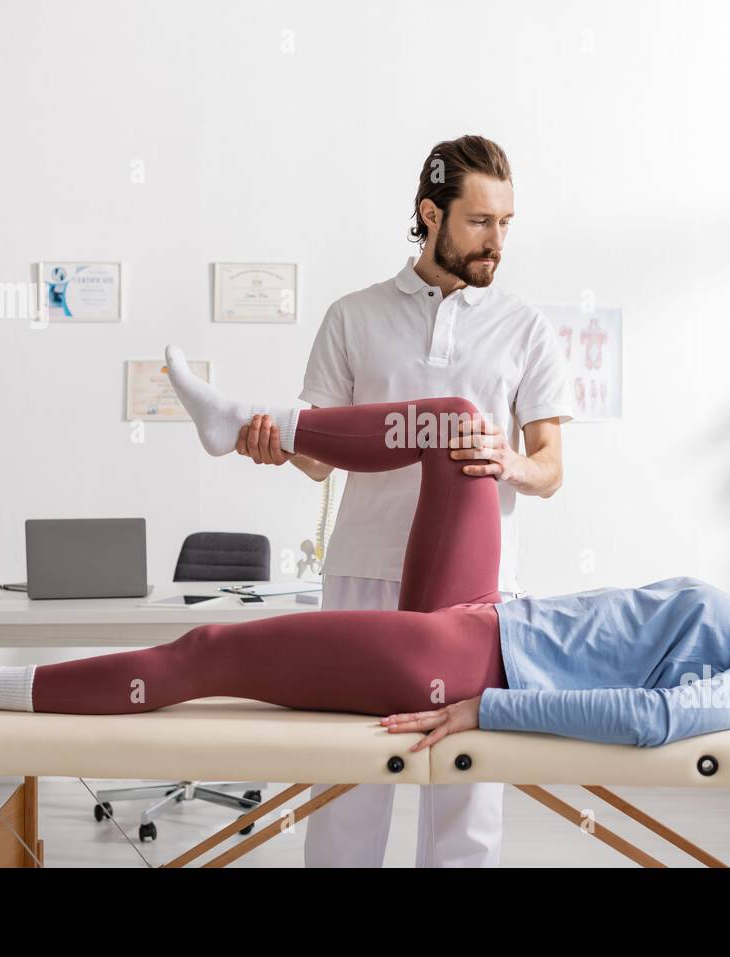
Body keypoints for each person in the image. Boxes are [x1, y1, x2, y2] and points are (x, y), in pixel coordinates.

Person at [0, 375, 730, 767]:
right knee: (460, 428)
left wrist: (489, 706)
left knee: (208, 653)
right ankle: (251, 422)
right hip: (484, 616)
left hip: (463, 659)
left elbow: (655, 720)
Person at [232, 134, 573, 867]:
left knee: (465, 787)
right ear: (431, 213)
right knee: (348, 782)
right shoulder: (353, 316)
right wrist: (273, 442)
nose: (497, 241)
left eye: (507, 223)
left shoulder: (525, 327)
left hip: (479, 591)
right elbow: (319, 457)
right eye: (481, 222)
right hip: (362, 576)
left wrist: (508, 460)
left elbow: (551, 469)